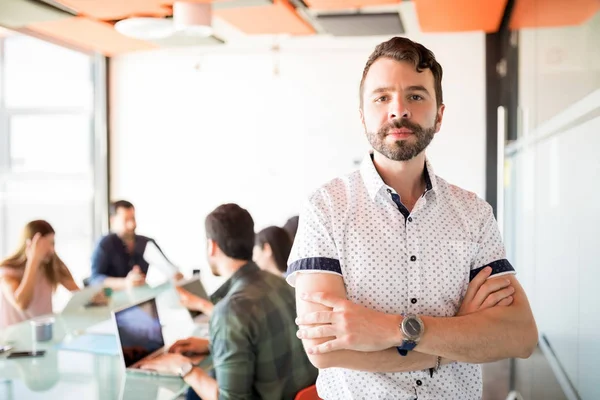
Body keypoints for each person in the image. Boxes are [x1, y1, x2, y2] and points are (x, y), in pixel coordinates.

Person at [287, 37, 538, 399]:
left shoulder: (474, 214)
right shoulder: (325, 208)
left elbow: (520, 336)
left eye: (416, 96)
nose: (398, 110)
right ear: (362, 116)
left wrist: (391, 330)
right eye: (382, 97)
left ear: (439, 115)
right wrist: (455, 338)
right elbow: (327, 350)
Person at [140, 203, 317, 400]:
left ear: (212, 246)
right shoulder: (282, 284)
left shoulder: (230, 311)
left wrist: (182, 367)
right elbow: (265, 344)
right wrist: (213, 344)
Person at [0, 220, 79, 328]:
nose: (51, 250)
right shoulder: (7, 270)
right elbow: (22, 304)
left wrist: (94, 297)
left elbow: (76, 291)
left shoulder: (51, 264)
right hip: (15, 338)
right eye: (45, 245)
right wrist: (33, 261)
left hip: (45, 332)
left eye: (52, 243)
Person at [89, 200, 183, 290]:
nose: (132, 224)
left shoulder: (146, 243)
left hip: (141, 297)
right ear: (113, 221)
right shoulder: (105, 244)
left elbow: (168, 267)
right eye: (126, 220)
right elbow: (95, 279)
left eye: (133, 218)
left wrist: (175, 275)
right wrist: (125, 283)